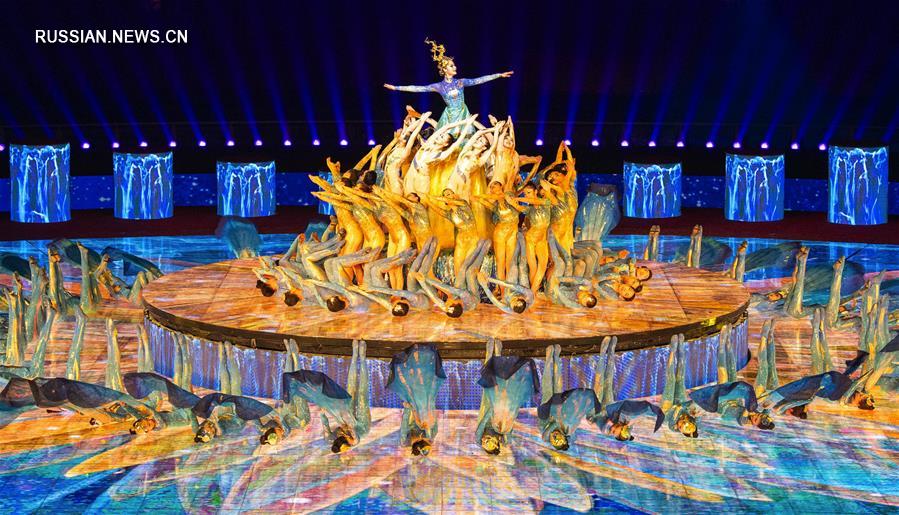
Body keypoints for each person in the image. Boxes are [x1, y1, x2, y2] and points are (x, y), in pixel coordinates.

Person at [384, 38, 513, 134]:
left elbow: (479, 80)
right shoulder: (439, 86)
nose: (455, 67)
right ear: (445, 69)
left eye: (454, 65)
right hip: (449, 117)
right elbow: (418, 88)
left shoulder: (460, 82)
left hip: (463, 114)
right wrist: (396, 88)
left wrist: (499, 75)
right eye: (452, 66)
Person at [281, 340, 370, 452]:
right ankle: (362, 357)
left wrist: (323, 414)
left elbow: (326, 427)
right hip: (361, 426)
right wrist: (350, 433)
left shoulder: (331, 440)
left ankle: (355, 355)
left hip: (345, 420)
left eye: (339, 436)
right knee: (362, 394)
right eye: (342, 436)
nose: (340, 434)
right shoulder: (354, 440)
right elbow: (354, 435)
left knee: (350, 390)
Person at [387, 344, 446, 455]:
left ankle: (409, 361)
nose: (424, 437)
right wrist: (430, 402)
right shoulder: (431, 435)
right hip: (424, 407)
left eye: (423, 440)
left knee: (411, 385)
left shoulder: (405, 441)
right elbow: (433, 417)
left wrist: (408, 408)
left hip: (413, 410)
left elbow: (405, 424)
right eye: (427, 440)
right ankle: (423, 357)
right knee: (423, 384)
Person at [661, 334, 699, 437]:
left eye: (681, 426)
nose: (681, 424)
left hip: (668, 408)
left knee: (671, 380)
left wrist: (685, 406)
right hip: (680, 403)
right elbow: (692, 404)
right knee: (680, 376)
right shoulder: (692, 420)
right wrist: (694, 410)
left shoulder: (673, 427)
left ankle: (672, 350)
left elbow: (678, 408)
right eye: (687, 423)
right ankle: (681, 347)